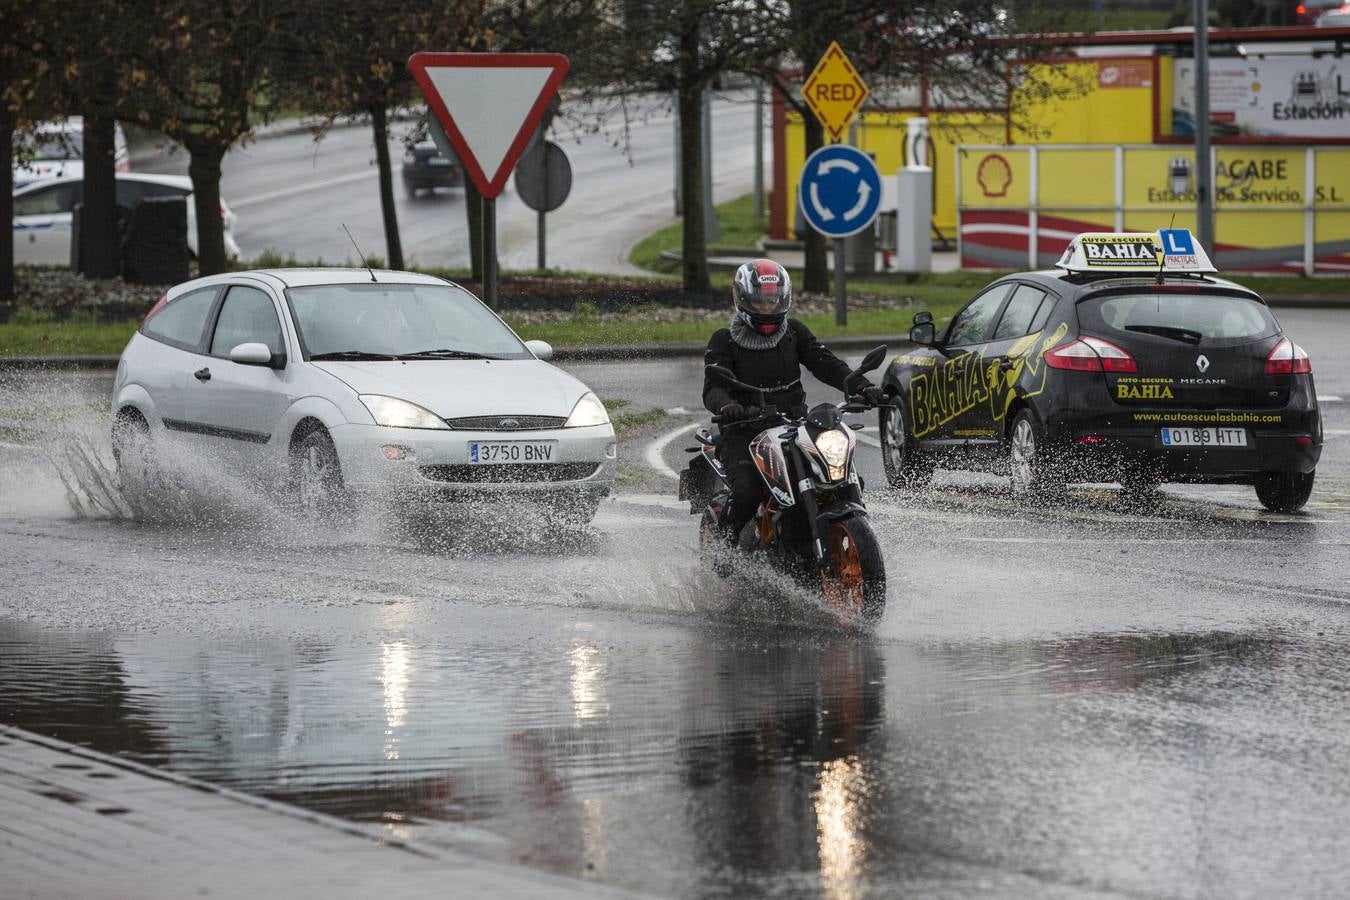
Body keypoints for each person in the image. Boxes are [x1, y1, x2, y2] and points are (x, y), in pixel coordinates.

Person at [703, 259, 884, 546]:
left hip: (794, 425)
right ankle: (724, 547)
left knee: (843, 478)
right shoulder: (724, 340)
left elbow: (826, 364)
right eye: (760, 302)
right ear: (743, 299)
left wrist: (861, 385)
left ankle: (849, 537)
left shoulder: (794, 332)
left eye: (773, 300)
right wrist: (727, 406)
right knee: (748, 491)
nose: (768, 307)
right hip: (744, 429)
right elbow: (713, 388)